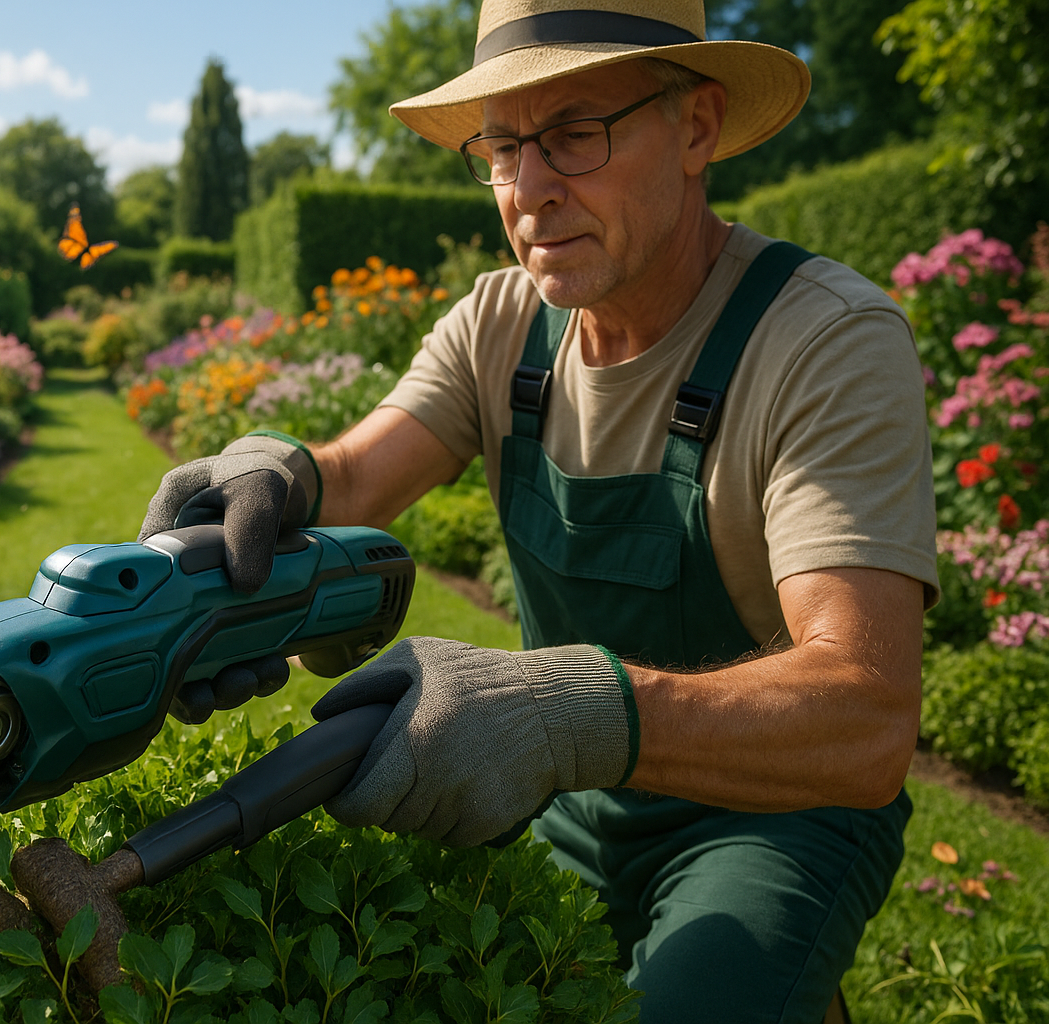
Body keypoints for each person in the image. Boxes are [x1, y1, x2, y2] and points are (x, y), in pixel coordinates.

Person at [139, 1, 938, 1019]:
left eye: (573, 135)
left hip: (776, 815)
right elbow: (358, 473)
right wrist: (271, 474)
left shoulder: (824, 340)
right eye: (504, 145)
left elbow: (866, 711)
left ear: (696, 126)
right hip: (568, 800)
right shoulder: (501, 323)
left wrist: (571, 713)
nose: (528, 191)